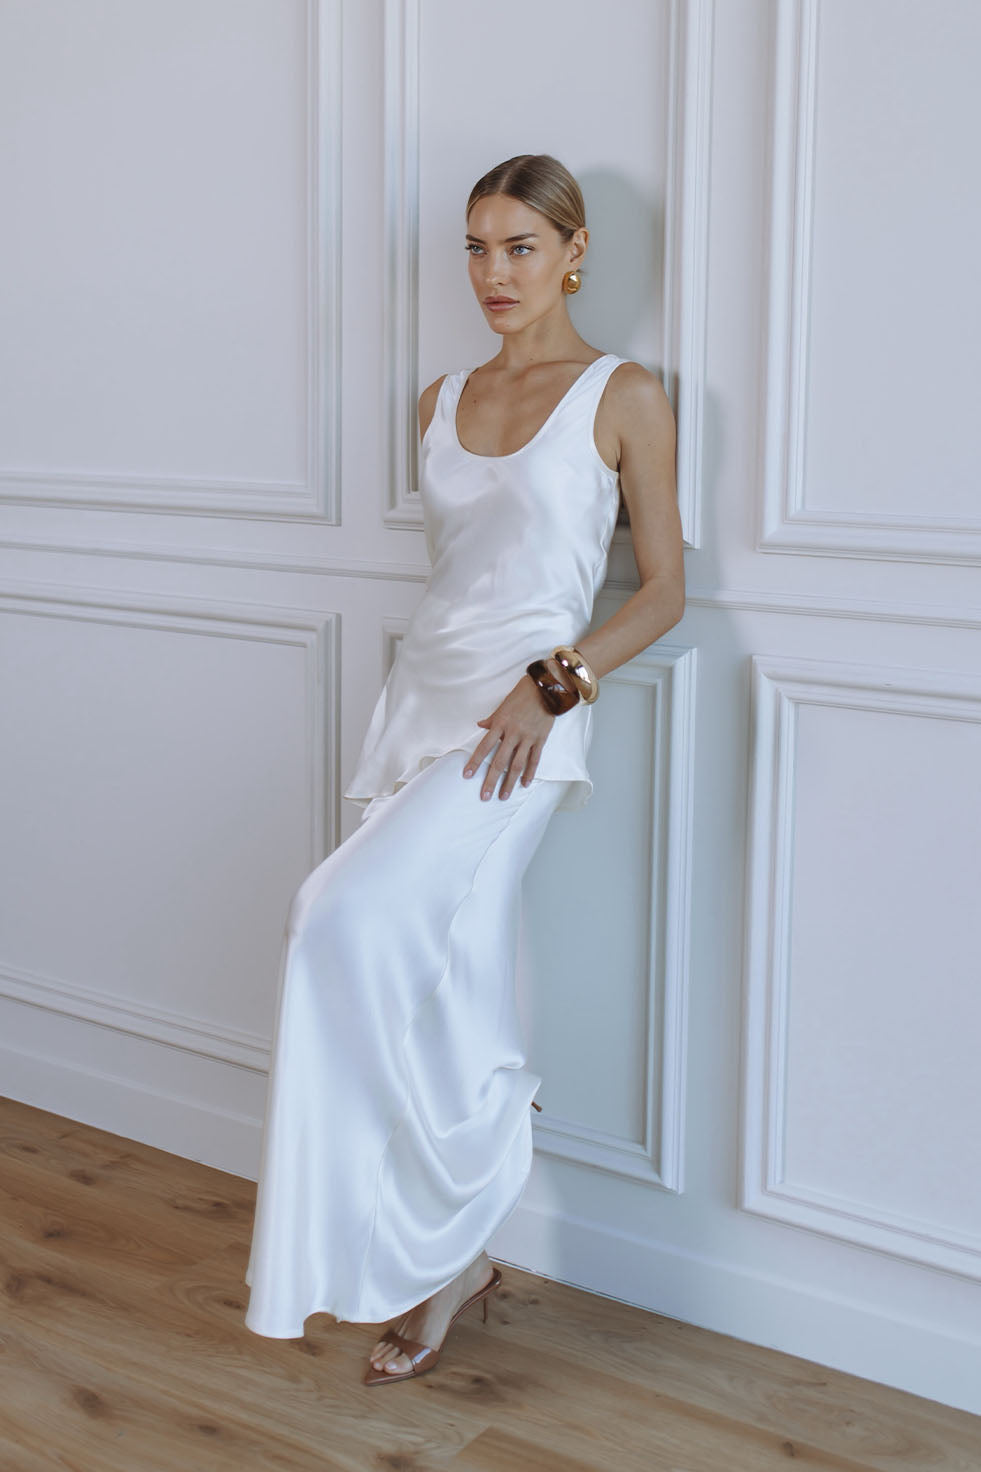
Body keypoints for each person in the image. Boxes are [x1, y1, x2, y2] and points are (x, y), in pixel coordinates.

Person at [243, 153, 685, 1386]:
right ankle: (456, 1258)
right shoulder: (437, 397)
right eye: (478, 249)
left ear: (575, 253)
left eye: (521, 247)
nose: (496, 272)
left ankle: (451, 1216)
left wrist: (555, 683)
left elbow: (665, 590)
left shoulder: (623, 393)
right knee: (449, 979)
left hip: (520, 725)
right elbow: (459, 571)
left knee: (331, 914)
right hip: (417, 707)